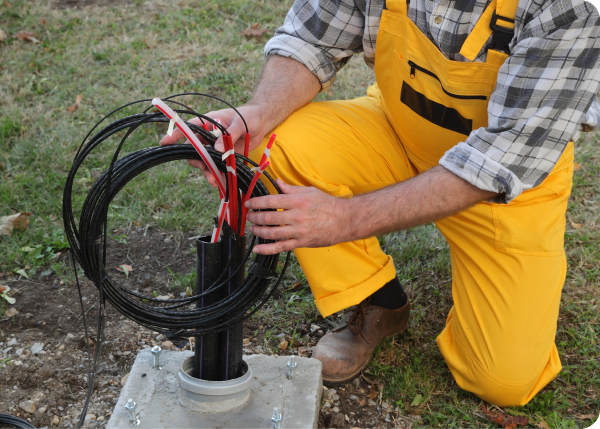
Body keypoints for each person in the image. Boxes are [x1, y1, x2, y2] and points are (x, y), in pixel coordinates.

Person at [161, 0, 600, 406]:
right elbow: (309, 38)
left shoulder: (568, 6)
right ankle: (379, 299)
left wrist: (344, 218)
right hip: (398, 130)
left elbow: (505, 157)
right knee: (268, 147)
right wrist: (255, 112)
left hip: (505, 185)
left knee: (503, 380)